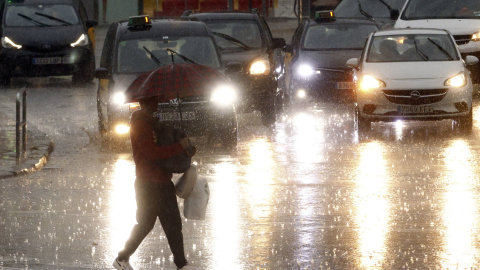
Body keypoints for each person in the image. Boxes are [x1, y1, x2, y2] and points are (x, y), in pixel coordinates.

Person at [113, 96, 197, 270]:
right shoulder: (140, 124)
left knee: (152, 224)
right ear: (144, 103)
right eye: (152, 102)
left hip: (158, 181)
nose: (156, 105)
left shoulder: (152, 122)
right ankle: (181, 264)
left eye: (157, 101)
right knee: (167, 223)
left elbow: (163, 146)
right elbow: (152, 152)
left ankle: (122, 258)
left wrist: (180, 141)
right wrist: (178, 147)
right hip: (150, 184)